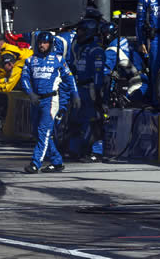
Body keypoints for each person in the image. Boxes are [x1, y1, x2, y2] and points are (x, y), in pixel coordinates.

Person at [20, 31, 80, 173]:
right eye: (40, 42)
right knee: (37, 132)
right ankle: (57, 161)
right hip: (36, 100)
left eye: (45, 42)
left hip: (51, 100)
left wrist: (75, 95)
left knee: (43, 132)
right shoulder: (30, 60)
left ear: (51, 44)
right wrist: (30, 94)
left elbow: (70, 78)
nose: (42, 45)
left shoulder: (59, 59)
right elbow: (24, 78)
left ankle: (35, 163)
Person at [71, 20, 106, 162]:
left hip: (91, 89)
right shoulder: (80, 48)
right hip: (80, 89)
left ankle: (96, 152)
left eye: (80, 31)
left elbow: (98, 75)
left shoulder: (96, 51)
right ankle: (78, 149)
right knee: (78, 121)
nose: (78, 34)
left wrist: (98, 95)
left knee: (94, 121)